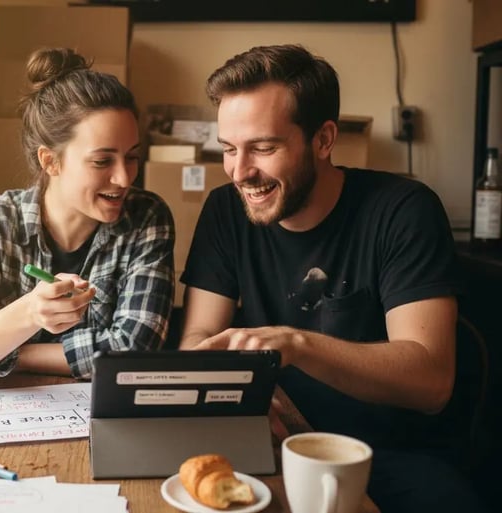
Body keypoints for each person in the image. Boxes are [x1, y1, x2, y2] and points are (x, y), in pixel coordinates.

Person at [179, 44, 488, 513]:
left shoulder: (404, 210)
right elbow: (198, 339)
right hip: (272, 450)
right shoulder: (225, 211)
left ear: (323, 140)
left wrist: (296, 346)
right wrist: (238, 396)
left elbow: (431, 380)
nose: (241, 172)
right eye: (228, 149)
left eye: (263, 148)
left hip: (389, 458)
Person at [0, 47, 175, 386]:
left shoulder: (146, 217)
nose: (125, 178)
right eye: (102, 161)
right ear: (50, 161)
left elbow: (136, 351)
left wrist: (12, 354)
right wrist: (30, 313)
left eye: (132, 157)